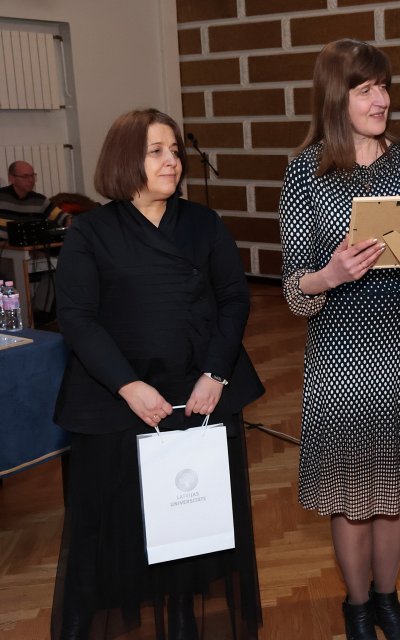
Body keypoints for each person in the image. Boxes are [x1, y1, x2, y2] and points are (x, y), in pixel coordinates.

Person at [51, 109, 265, 640]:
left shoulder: (202, 223)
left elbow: (234, 299)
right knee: (118, 519)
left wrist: (217, 373)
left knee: (191, 520)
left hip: (196, 392)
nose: (173, 160)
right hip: (117, 396)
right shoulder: (92, 231)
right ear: (127, 159)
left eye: (175, 150)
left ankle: (183, 617)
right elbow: (76, 316)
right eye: (157, 151)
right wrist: (126, 385)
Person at [278, 39, 400, 640]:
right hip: (341, 352)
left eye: (384, 87)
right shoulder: (305, 171)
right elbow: (294, 291)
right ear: (337, 96)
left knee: (395, 487)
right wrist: (328, 275)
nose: (382, 99)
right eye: (366, 89)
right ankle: (356, 608)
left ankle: (388, 600)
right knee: (353, 492)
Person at [0, 161, 72, 238]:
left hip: (32, 247)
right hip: (5, 247)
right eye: (25, 176)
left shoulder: (39, 200)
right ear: (12, 178)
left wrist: (68, 220)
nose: (31, 180)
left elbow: (61, 217)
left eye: (32, 175)